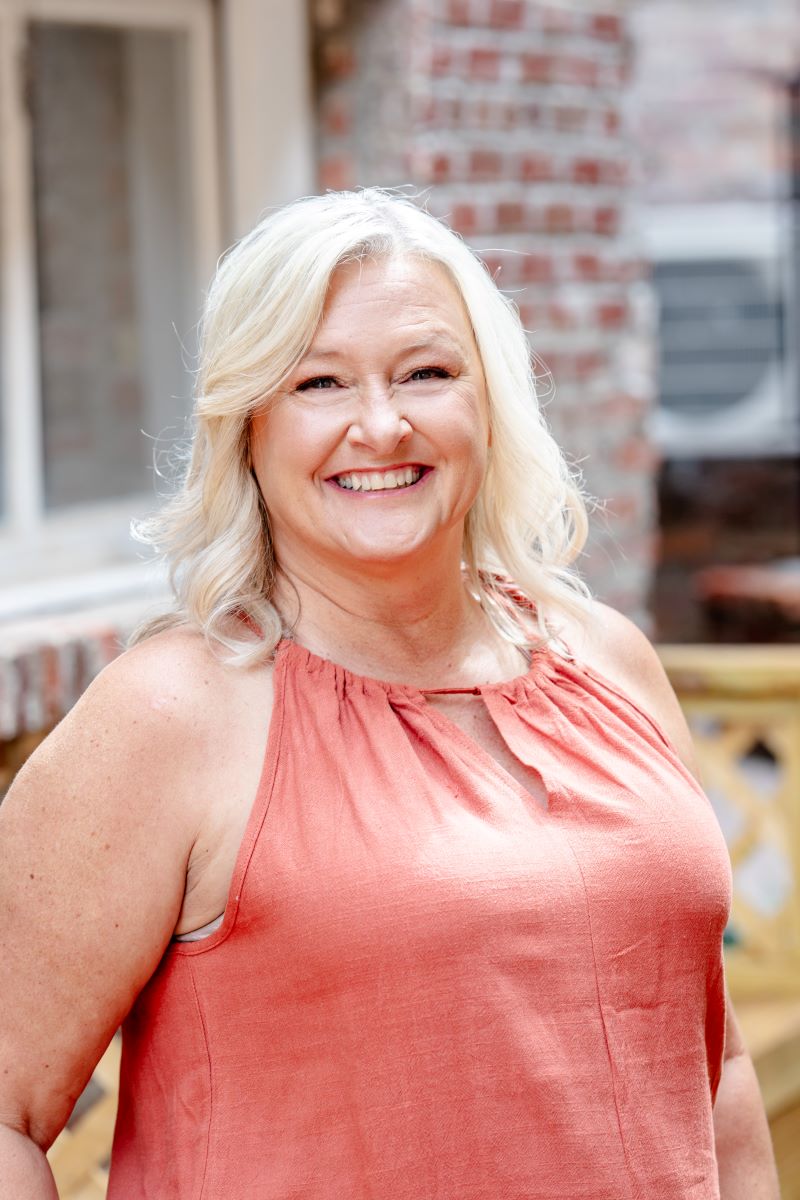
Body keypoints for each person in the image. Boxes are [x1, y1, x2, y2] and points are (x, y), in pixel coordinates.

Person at [0, 188, 779, 1199]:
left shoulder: (608, 660)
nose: (380, 424)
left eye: (426, 372)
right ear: (247, 425)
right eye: (318, 382)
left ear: (487, 402)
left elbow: (707, 1066)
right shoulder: (172, 715)